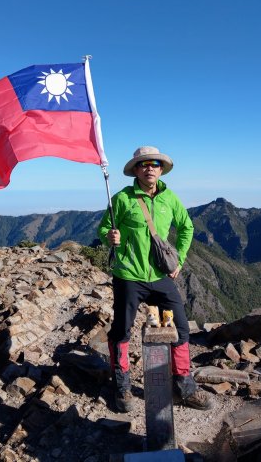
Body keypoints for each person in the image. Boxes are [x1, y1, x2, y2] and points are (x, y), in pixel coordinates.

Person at [98, 146, 212, 413]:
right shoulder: (122, 198)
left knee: (182, 329)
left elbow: (187, 227)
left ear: (161, 169)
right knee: (121, 330)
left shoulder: (169, 198)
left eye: (155, 164)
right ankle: (122, 385)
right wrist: (110, 237)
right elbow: (104, 227)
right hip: (128, 275)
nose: (149, 168)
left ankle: (183, 384)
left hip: (160, 276)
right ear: (135, 170)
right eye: (143, 164)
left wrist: (179, 260)